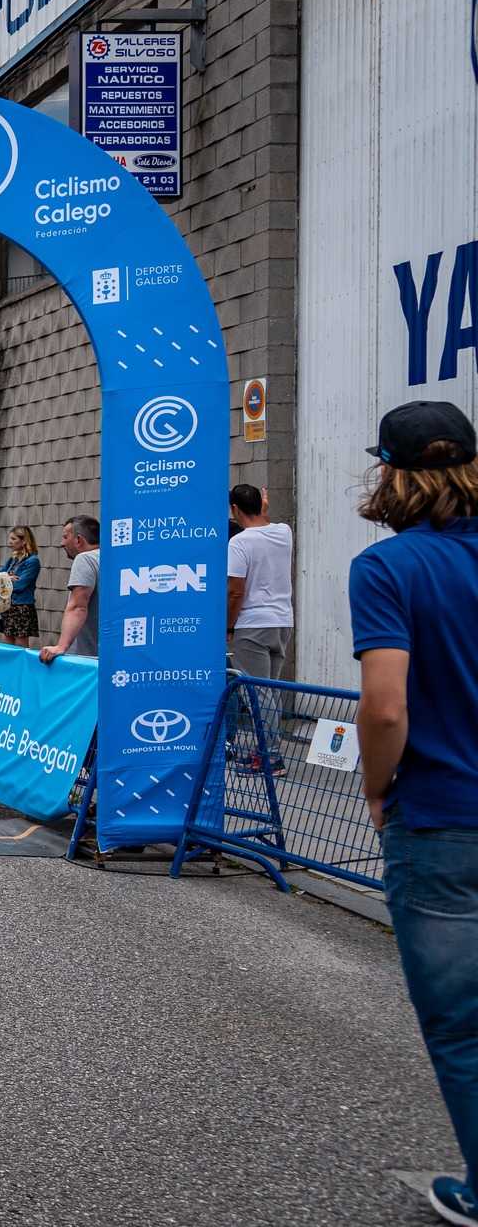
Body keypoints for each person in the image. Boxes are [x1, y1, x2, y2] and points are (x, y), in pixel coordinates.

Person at [348, 400, 478, 1227]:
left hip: (441, 816)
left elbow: (386, 708)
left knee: (464, 1027)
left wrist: (372, 787)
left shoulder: (388, 568)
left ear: (392, 471)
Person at [227, 484, 294, 679]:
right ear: (260, 505)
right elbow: (264, 527)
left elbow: (236, 592)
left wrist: (229, 627)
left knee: (257, 694)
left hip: (252, 625)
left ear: (235, 509)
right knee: (271, 691)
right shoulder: (284, 532)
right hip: (282, 622)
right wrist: (263, 512)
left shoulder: (239, 542)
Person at [39, 516, 101, 663]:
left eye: (65, 537)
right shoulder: (114, 558)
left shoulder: (85, 559)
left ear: (79, 540)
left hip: (86, 660)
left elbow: (78, 607)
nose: (62, 543)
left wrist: (61, 646)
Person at [0, 527, 42, 647]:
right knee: (7, 644)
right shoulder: (13, 560)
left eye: (13, 538)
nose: (9, 542)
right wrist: (8, 578)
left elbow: (20, 585)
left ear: (24, 541)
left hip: (21, 607)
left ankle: (22, 666)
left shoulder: (32, 561)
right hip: (8, 606)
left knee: (20, 645)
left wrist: (5, 579)